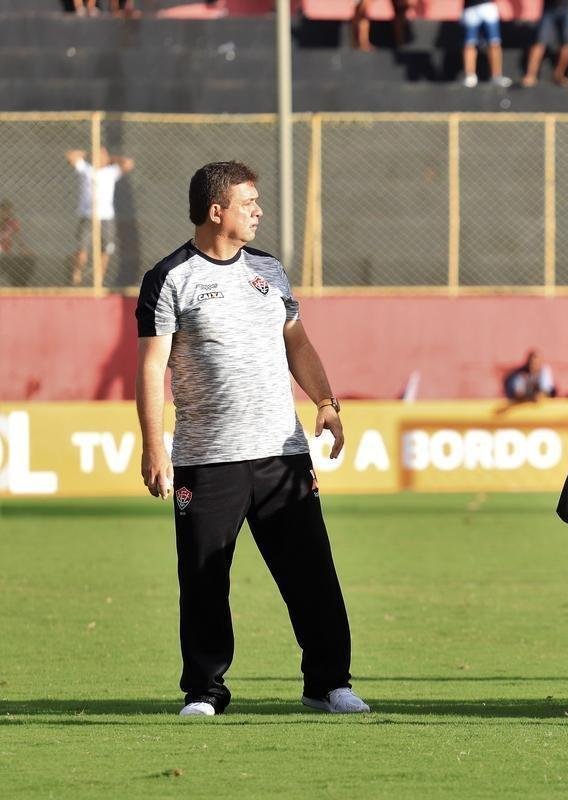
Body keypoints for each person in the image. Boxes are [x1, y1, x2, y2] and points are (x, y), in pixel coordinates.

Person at [135, 161, 369, 718]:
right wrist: (152, 444)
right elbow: (151, 369)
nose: (258, 211)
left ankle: (328, 684)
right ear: (217, 212)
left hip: (282, 455)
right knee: (205, 579)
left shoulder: (270, 271)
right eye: (248, 203)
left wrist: (326, 402)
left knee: (313, 574)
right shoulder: (170, 278)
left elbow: (299, 345)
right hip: (207, 459)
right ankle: (204, 691)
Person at [67, 147, 133, 287]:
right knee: (82, 250)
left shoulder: (111, 171)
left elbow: (128, 163)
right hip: (87, 216)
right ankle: (76, 276)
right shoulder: (86, 169)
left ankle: (99, 281)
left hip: (106, 217)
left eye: (103, 155)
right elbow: (71, 156)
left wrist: (112, 158)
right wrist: (87, 153)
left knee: (105, 250)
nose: (101, 157)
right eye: (98, 155)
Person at [522, 0, 568, 86]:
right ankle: (531, 75)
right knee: (539, 42)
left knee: (566, 44)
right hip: (549, 9)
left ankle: (559, 74)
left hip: (567, 9)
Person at [461, 0, 513, 88]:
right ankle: (470, 75)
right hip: (470, 9)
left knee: (494, 42)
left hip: (488, 7)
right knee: (469, 43)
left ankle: (496, 75)